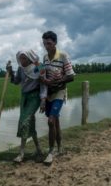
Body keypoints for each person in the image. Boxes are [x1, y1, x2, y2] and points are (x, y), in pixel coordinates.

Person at [40, 31, 75, 164]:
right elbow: (43, 76)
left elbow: (71, 76)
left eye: (48, 43)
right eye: (44, 43)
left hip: (59, 93)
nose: (46, 46)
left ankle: (50, 151)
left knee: (50, 121)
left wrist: (61, 79)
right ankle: (59, 147)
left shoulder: (63, 56)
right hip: (49, 94)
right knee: (55, 122)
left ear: (55, 43)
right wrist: (45, 80)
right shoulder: (44, 58)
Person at [6, 50, 47, 163]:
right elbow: (16, 81)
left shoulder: (39, 66)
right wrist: (10, 73)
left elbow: (44, 84)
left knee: (24, 122)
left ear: (29, 58)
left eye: (24, 58)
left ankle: (21, 153)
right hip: (24, 98)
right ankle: (39, 149)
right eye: (20, 59)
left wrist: (43, 100)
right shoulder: (21, 68)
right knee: (30, 123)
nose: (22, 61)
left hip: (35, 97)